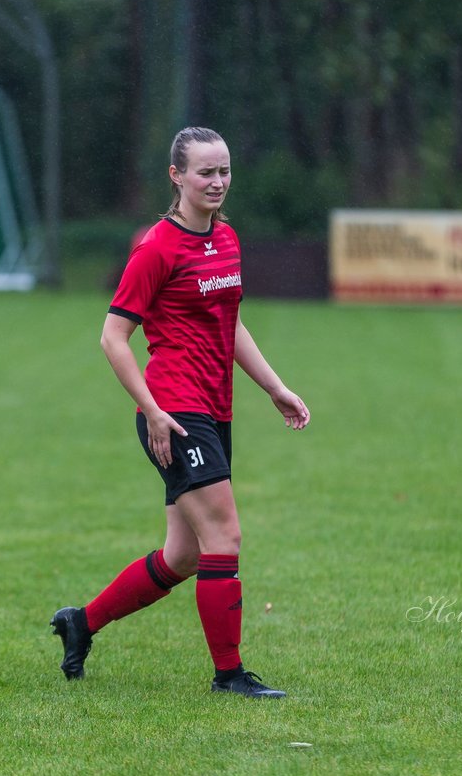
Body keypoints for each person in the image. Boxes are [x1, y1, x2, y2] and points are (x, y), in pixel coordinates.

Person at [50, 126, 310, 698]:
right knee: (225, 537)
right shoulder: (157, 248)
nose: (217, 182)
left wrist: (275, 388)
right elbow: (113, 338)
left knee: (186, 554)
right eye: (204, 172)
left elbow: (231, 324)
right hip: (174, 409)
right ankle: (230, 676)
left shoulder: (228, 239)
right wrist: (153, 412)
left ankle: (81, 622)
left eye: (224, 171)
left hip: (214, 409)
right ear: (177, 176)